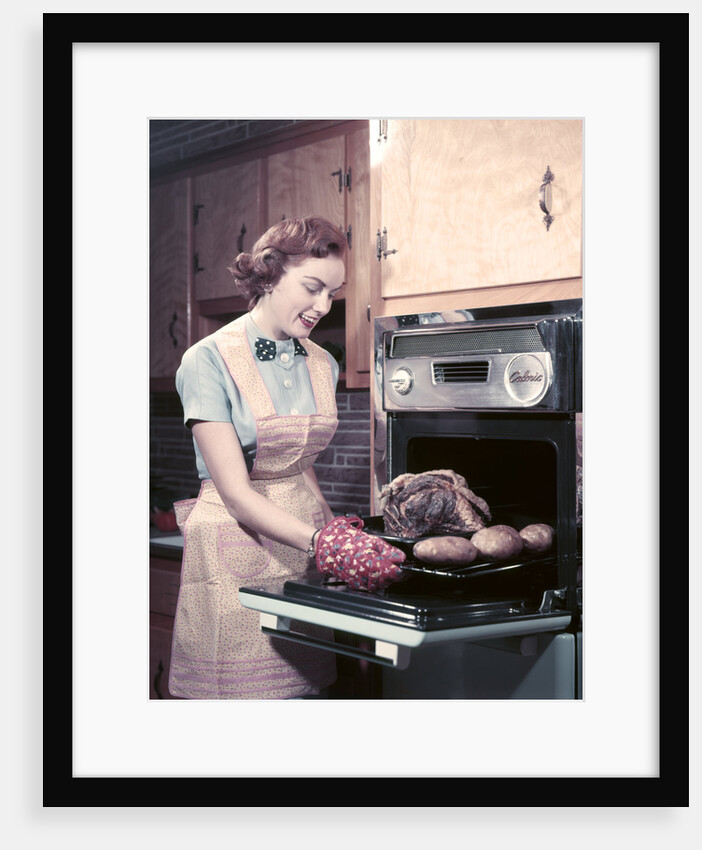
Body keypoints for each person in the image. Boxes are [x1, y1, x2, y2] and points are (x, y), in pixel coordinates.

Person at [168, 215, 405, 700]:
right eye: (313, 287)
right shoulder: (207, 359)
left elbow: (296, 458)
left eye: (333, 293)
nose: (323, 306)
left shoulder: (323, 361)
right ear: (271, 273)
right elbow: (235, 494)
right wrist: (324, 541)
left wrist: (332, 532)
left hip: (303, 548)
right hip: (235, 543)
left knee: (303, 699)